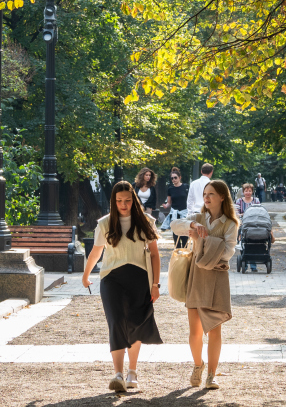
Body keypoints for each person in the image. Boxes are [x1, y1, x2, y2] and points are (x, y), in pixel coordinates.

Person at [82, 181, 162, 392]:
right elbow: (96, 252)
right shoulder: (105, 224)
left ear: (133, 200)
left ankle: (132, 372)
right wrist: (86, 274)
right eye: (119, 201)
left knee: (135, 323)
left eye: (127, 200)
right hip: (111, 278)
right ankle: (118, 374)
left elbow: (154, 254)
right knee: (116, 321)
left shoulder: (146, 221)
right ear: (113, 202)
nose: (123, 205)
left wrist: (156, 284)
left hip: (139, 277)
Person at [170, 180, 238, 389]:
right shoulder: (198, 217)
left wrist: (203, 241)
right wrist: (193, 226)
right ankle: (198, 365)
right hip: (197, 276)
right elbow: (174, 225)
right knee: (195, 330)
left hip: (217, 277)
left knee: (215, 330)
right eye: (205, 194)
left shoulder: (231, 224)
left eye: (211, 194)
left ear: (222, 197)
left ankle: (211, 375)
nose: (206, 197)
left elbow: (228, 252)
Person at [235, 184, 273, 272]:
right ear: (243, 192)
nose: (248, 193)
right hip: (244, 223)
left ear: (252, 191)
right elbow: (236, 214)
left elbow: (260, 212)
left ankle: (253, 266)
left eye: (249, 191)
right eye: (246, 191)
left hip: (257, 223)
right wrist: (243, 215)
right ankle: (246, 262)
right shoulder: (239, 201)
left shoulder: (256, 200)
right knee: (243, 241)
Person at [162, 167, 190, 248]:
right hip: (174, 214)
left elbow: (190, 200)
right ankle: (177, 254)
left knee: (184, 236)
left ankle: (185, 254)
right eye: (172, 178)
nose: (173, 179)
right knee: (176, 236)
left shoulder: (186, 187)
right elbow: (169, 202)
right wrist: (166, 206)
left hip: (184, 213)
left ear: (179, 177)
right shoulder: (170, 189)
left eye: (175, 177)